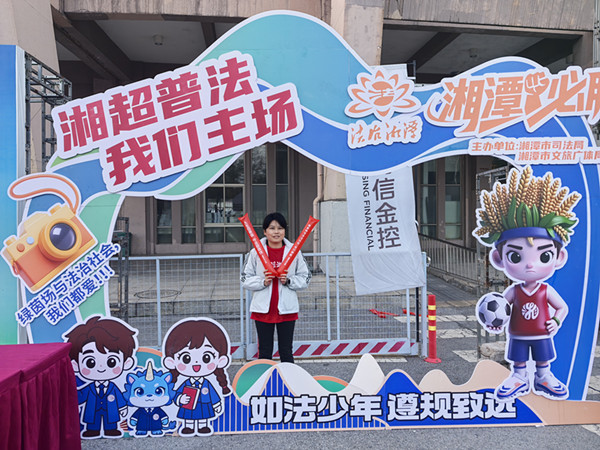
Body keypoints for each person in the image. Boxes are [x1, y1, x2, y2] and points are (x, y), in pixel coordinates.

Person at [473, 166, 579, 402]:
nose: (530, 265)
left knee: (543, 358)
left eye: (544, 256)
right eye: (516, 256)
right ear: (499, 258)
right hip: (518, 334)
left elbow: (562, 307)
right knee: (518, 359)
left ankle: (543, 377)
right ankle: (519, 377)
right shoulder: (513, 291)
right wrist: (495, 324)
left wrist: (556, 321)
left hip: (541, 333)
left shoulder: (546, 290)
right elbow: (500, 307)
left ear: (558, 257)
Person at [241, 212, 311, 363]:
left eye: (280, 228)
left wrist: (289, 281)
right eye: (272, 228)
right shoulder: (255, 252)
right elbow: (245, 278)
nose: (276, 232)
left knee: (286, 351)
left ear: (285, 231)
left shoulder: (294, 252)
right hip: (262, 310)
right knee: (264, 351)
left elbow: (305, 277)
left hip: (287, 309)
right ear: (265, 231)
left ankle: (288, 378)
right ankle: (265, 378)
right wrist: (263, 282)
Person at [64, 315, 138, 438]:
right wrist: (70, 400)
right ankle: (92, 430)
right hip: (92, 413)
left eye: (111, 362)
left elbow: (119, 397)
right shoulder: (89, 388)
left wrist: (122, 407)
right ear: (75, 365)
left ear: (126, 363)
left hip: (111, 412)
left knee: (111, 420)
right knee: (93, 420)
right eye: (90, 362)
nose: (101, 368)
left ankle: (111, 429)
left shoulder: (113, 387)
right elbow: (80, 395)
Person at [162, 318, 231, 436]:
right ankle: (188, 426)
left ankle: (203, 426)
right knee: (188, 416)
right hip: (188, 406)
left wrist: (217, 404)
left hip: (204, 405)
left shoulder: (207, 383)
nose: (196, 364)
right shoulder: (185, 383)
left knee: (204, 417)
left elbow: (213, 394)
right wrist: (180, 399)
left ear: (221, 360)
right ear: (171, 362)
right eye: (186, 358)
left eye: (206, 358)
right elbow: (177, 393)